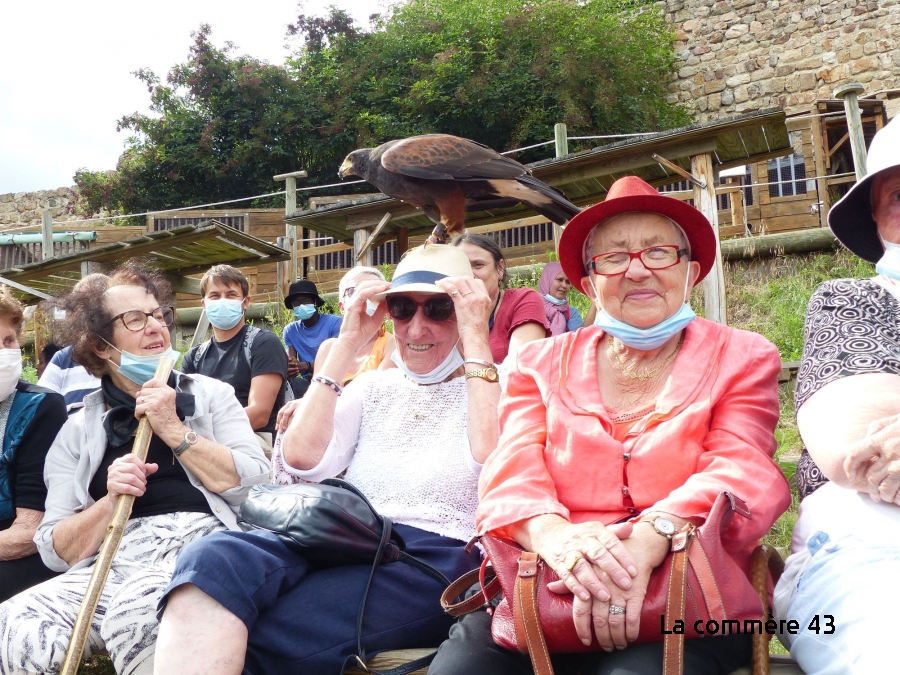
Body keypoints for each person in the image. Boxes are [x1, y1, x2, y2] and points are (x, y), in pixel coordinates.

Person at [430, 176, 791, 675]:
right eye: (614, 258)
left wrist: (651, 537)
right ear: (588, 283)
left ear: (691, 271)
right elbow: (511, 468)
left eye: (659, 252)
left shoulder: (744, 355)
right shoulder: (538, 362)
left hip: (688, 590)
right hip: (551, 579)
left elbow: (742, 465)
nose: (638, 271)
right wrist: (558, 539)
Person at [152, 244, 500, 675]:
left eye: (439, 310)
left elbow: (492, 462)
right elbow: (300, 460)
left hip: (437, 551)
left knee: (274, 632)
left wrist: (476, 337)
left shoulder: (501, 383)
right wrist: (350, 340)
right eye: (403, 308)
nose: (416, 328)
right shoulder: (373, 387)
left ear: (467, 313)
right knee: (212, 559)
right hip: (342, 530)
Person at [0, 260, 270, 675]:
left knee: (136, 610)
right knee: (16, 622)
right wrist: (108, 503)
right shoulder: (76, 431)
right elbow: (54, 548)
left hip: (202, 548)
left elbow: (255, 486)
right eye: (134, 319)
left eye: (158, 315)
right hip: (117, 556)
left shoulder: (211, 396)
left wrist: (175, 430)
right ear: (101, 346)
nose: (156, 327)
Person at [772, 116, 900, 674]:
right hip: (867, 552)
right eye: (899, 197)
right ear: (876, 218)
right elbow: (859, 449)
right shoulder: (851, 302)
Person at [0, 287, 67, 603]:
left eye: (8, 341)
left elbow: (30, 531)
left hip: (21, 552)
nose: (3, 353)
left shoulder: (40, 407)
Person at [180, 264, 288, 456]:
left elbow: (260, 414)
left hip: (256, 440)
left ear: (245, 302)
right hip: (205, 442)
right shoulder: (193, 358)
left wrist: (204, 434)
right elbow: (188, 411)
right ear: (204, 304)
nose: (223, 301)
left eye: (231, 295)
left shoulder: (263, 344)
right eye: (214, 296)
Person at [451, 233, 548, 363]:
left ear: (500, 268)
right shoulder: (441, 309)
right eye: (460, 267)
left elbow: (519, 367)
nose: (468, 274)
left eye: (478, 265)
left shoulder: (523, 300)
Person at [312, 265, 396, 384]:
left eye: (376, 292)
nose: (365, 297)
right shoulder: (328, 348)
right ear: (341, 306)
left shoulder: (391, 344)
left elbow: (379, 394)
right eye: (354, 292)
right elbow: (316, 396)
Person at [282, 279, 342, 383]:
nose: (301, 306)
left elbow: (338, 359)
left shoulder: (334, 323)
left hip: (334, 379)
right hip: (308, 381)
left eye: (306, 301)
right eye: (296, 303)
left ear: (315, 302)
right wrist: (291, 368)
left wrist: (307, 366)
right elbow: (291, 362)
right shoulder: (290, 330)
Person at [539, 262, 585, 335]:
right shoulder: (532, 308)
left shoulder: (572, 313)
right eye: (560, 280)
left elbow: (575, 341)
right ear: (547, 280)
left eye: (567, 282)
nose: (564, 285)